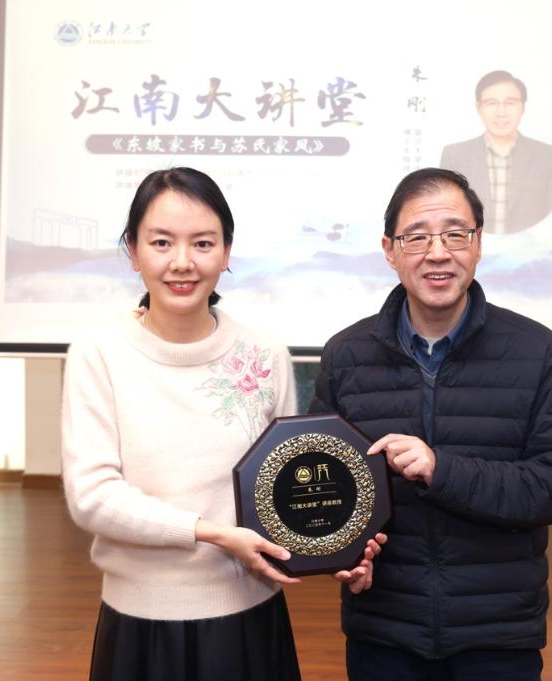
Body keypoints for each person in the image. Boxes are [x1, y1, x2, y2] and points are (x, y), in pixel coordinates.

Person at [61, 167, 380, 681]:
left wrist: (334, 546)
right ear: (133, 251)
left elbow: (285, 490)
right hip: (140, 622)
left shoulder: (264, 353)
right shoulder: (98, 354)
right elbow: (92, 497)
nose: (182, 262)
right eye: (161, 242)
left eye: (203, 243)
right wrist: (213, 534)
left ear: (227, 252)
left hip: (249, 615)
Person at [311, 167, 552, 681]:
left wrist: (441, 469)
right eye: (417, 237)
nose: (437, 253)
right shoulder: (346, 356)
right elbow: (325, 492)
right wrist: (340, 554)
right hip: (383, 631)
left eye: (455, 234)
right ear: (390, 250)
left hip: (497, 635)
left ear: (478, 244)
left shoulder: (536, 351)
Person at [439, 70, 552, 234]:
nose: (501, 112)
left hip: (531, 248)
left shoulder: (548, 157)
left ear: (523, 107)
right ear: (478, 108)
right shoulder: (454, 156)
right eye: (492, 103)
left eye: (510, 103)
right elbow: (445, 217)